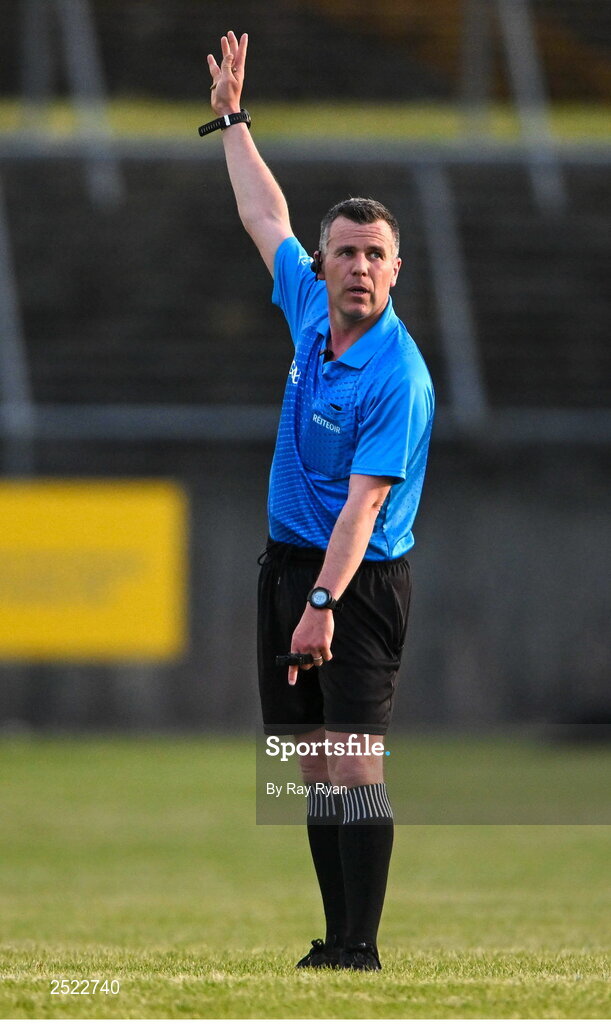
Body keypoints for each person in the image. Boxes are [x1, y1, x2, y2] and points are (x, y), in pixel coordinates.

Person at [206, 31, 434, 972]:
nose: (355, 268)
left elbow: (363, 510)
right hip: (290, 567)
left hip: (356, 581)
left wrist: (322, 607)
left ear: (393, 270)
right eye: (343, 252)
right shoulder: (308, 307)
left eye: (373, 256)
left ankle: (361, 948)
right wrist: (231, 120)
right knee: (305, 765)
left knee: (353, 759)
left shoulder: (398, 375)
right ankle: (332, 940)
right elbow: (266, 217)